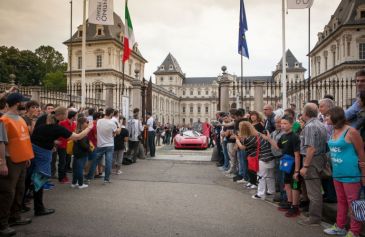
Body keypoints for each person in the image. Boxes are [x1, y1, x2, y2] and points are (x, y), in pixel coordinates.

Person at [31, 106, 93, 216]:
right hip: (42, 154)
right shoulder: (56, 128)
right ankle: (39, 208)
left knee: (31, 180)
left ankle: (24, 206)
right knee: (39, 181)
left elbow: (36, 134)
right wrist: (89, 128)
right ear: (63, 115)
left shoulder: (43, 119)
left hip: (33, 151)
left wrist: (52, 142)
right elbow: (78, 137)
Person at [324, 107, 365, 237]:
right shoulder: (334, 130)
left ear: (335, 116)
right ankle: (340, 226)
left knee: (354, 203)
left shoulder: (351, 131)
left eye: (327, 116)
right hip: (337, 173)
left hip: (351, 174)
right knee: (341, 202)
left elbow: (361, 152)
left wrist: (363, 173)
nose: (325, 118)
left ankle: (354, 231)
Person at [0, 93, 33, 237]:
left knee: (20, 189)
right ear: (17, 103)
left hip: (21, 159)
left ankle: (15, 216)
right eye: (23, 102)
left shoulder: (20, 118)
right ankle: (2, 224)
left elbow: (23, 139)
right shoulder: (4, 120)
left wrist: (26, 156)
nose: (25, 104)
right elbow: (1, 143)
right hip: (10, 160)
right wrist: (2, 163)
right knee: (8, 192)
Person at [297, 103, 328, 226]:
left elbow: (311, 148)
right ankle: (315, 216)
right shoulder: (320, 124)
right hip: (319, 159)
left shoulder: (310, 126)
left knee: (313, 191)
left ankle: (314, 218)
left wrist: (305, 166)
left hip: (312, 160)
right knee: (316, 190)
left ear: (305, 113)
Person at [264, 115, 302, 217]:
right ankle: (289, 204)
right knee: (287, 185)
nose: (283, 126)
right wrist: (269, 139)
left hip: (294, 165)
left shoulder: (294, 137)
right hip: (286, 164)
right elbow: (278, 147)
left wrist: (297, 171)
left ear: (291, 124)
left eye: (285, 123)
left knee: (295, 187)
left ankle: (295, 207)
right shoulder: (283, 136)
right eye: (282, 123)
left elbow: (297, 155)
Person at [236, 121, 275, 198]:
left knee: (261, 177)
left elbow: (242, 148)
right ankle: (271, 191)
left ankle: (260, 194)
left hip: (262, 159)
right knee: (270, 176)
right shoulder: (259, 135)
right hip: (270, 156)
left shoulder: (247, 139)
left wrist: (237, 140)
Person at [86, 108, 121, 184]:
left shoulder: (99, 121)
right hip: (109, 144)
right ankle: (106, 179)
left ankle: (89, 177)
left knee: (95, 161)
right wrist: (119, 126)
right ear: (111, 114)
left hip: (100, 144)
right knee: (108, 162)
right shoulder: (112, 123)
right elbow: (117, 132)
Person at [71, 117, 92, 189]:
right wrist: (89, 148)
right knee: (80, 168)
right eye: (87, 122)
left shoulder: (77, 131)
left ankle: (74, 182)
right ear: (83, 123)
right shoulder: (81, 132)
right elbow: (83, 144)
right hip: (81, 153)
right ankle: (80, 183)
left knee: (76, 168)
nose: (88, 123)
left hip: (77, 152)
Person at [57, 110, 77, 184]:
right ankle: (61, 177)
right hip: (62, 144)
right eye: (76, 116)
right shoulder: (62, 123)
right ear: (73, 116)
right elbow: (57, 132)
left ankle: (64, 175)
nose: (76, 117)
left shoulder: (74, 124)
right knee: (62, 162)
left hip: (70, 145)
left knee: (67, 161)